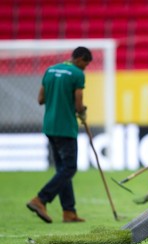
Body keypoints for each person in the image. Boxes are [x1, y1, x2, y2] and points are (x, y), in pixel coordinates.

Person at [26, 46, 93, 223]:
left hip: (49, 126)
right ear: (80, 59)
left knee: (62, 169)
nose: (84, 68)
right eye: (85, 65)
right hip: (65, 127)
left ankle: (69, 212)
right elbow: (78, 105)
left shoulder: (50, 70)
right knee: (70, 168)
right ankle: (40, 199)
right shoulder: (77, 74)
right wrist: (82, 111)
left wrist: (57, 96)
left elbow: (40, 99)